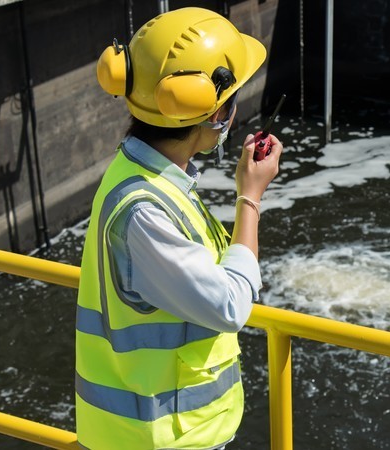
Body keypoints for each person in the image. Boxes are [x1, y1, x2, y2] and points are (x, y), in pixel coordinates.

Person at [75, 7, 281, 449]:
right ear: (216, 112)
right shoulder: (144, 212)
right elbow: (229, 305)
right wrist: (250, 197)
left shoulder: (143, 173)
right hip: (160, 437)